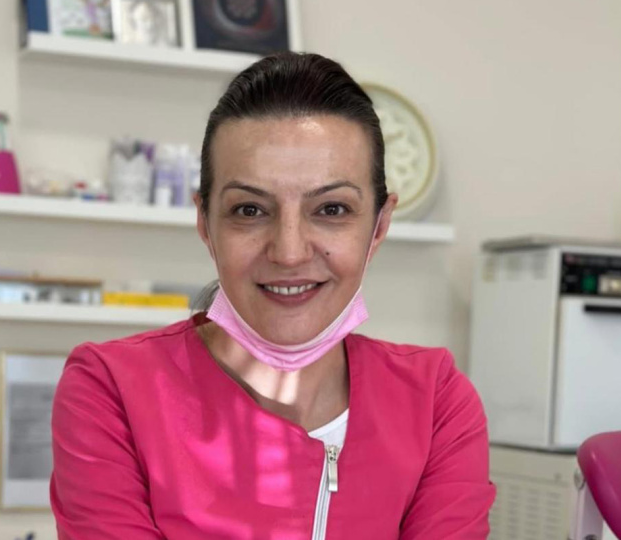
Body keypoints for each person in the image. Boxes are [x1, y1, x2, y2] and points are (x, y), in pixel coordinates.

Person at [50, 51, 496, 539]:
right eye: (249, 210)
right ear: (205, 224)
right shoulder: (113, 390)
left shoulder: (435, 403)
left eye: (331, 209)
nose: (288, 252)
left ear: (379, 226)